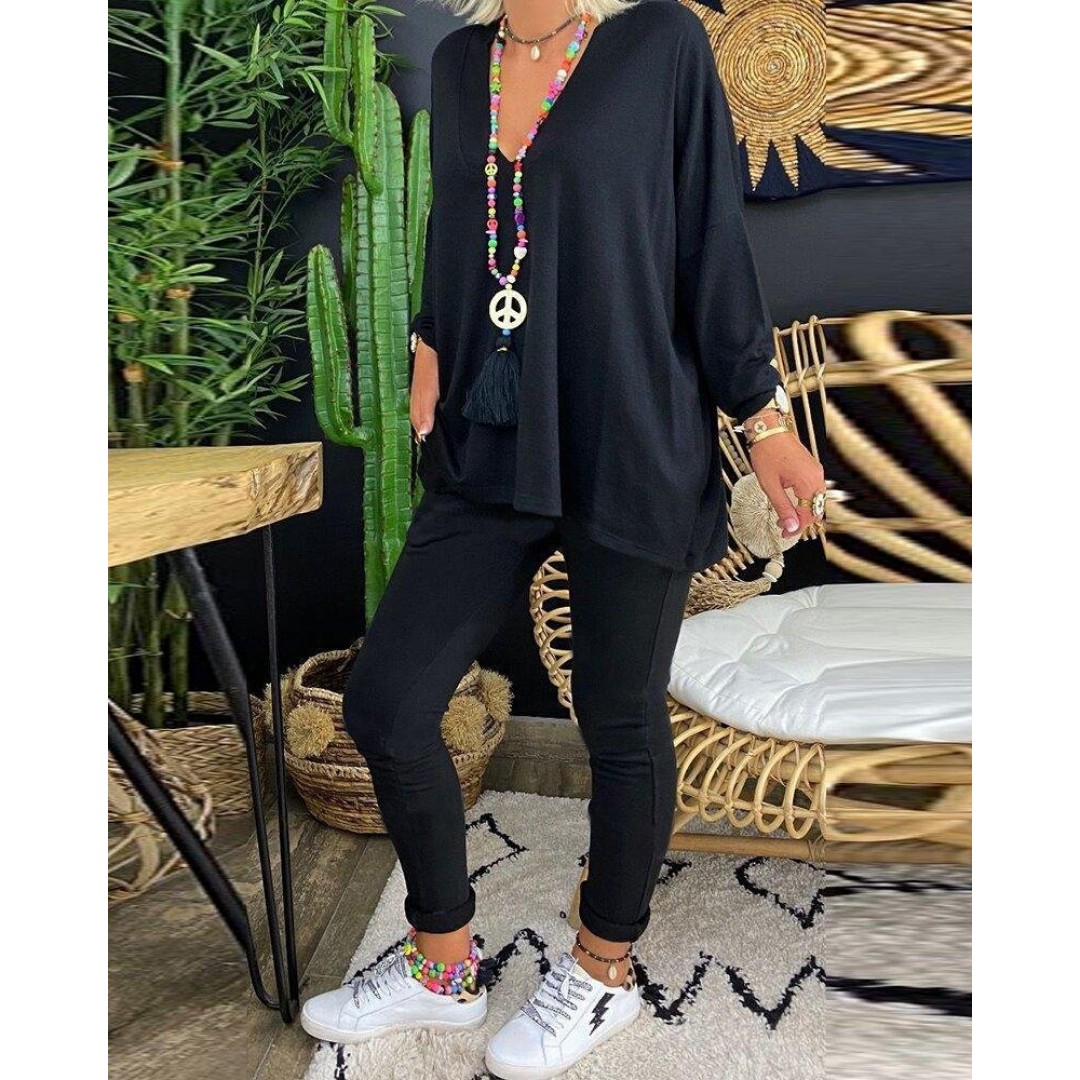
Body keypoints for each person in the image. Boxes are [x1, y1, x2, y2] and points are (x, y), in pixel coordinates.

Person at [301, 1, 826, 1075]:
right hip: (494, 438)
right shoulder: (462, 64)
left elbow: (708, 238)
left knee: (621, 721)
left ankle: (601, 974)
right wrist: (429, 339)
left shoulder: (659, 42)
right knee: (387, 702)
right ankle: (443, 968)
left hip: (628, 430)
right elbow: (460, 228)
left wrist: (763, 418)